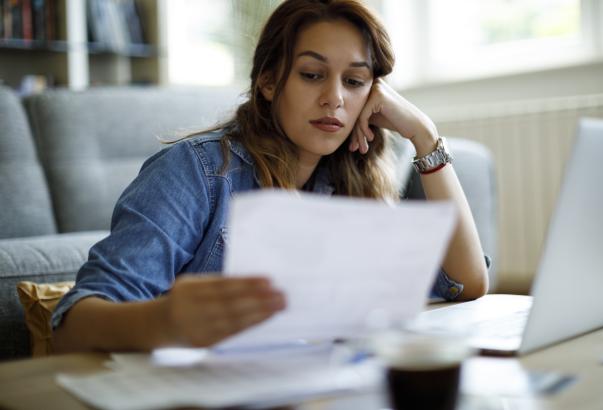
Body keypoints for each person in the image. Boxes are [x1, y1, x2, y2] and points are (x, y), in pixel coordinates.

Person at [52, 0, 489, 353]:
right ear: (267, 81)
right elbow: (72, 326)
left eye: (355, 81)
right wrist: (165, 321)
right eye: (312, 75)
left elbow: (466, 284)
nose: (334, 98)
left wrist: (426, 137)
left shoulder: (353, 183)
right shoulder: (198, 171)